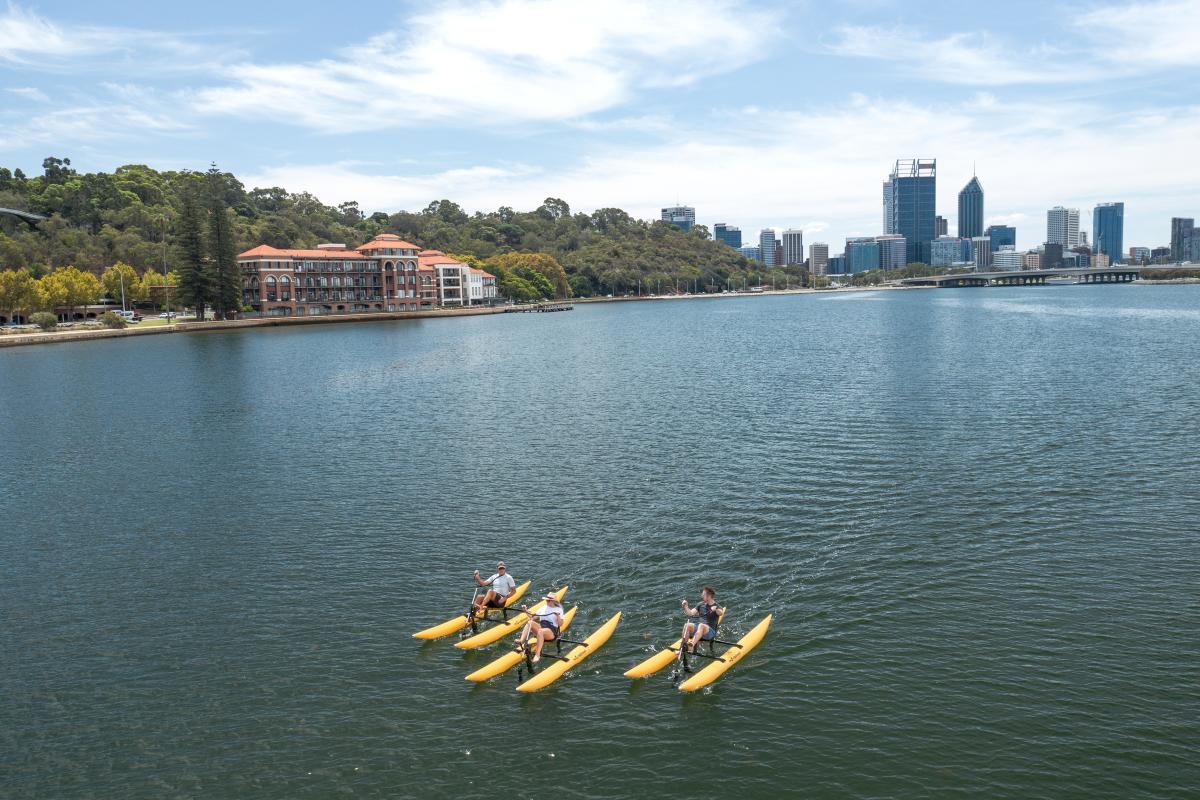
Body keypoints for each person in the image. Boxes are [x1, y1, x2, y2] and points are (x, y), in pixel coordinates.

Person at [517, 594, 563, 664]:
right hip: (541, 628)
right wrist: (525, 610)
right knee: (530, 622)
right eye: (546, 600)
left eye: (549, 600)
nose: (547, 601)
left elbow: (560, 624)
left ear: (553, 601)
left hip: (551, 632)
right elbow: (532, 617)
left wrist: (558, 616)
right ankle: (521, 640)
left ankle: (537, 654)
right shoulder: (543, 608)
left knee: (540, 631)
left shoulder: (559, 610)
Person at [681, 586, 721, 654]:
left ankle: (691, 646)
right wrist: (685, 607)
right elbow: (690, 613)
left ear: (709, 596)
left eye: (703, 594)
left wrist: (716, 609)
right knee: (687, 625)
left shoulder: (717, 606)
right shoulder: (700, 604)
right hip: (700, 629)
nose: (701, 596)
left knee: (701, 625)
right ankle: (684, 647)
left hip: (710, 632)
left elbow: (721, 613)